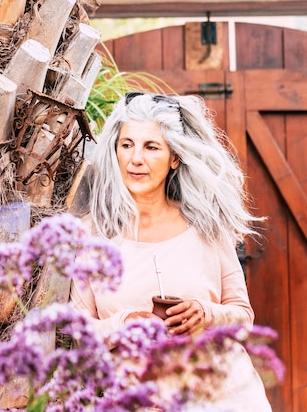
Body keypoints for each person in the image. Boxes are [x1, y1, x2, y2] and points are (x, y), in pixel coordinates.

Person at [70, 92, 272, 410]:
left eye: (151, 147)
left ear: (174, 157)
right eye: (127, 145)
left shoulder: (207, 226)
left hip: (224, 398)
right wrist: (122, 323)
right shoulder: (92, 235)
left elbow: (243, 317)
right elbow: (79, 328)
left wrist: (207, 314)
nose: (136, 158)